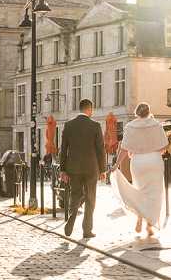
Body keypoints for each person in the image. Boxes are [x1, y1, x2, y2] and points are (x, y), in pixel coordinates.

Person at [111, 102, 169, 237]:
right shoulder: (156, 124)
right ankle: (149, 225)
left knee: (140, 191)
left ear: (136, 113)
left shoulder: (130, 126)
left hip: (138, 163)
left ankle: (139, 219)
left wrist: (116, 165)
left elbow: (124, 149)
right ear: (149, 112)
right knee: (155, 194)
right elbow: (163, 147)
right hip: (154, 161)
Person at [59, 99, 106, 238]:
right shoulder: (95, 126)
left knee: (75, 194)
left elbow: (63, 150)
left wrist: (63, 169)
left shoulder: (69, 125)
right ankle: (87, 230)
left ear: (79, 109)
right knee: (90, 198)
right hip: (91, 168)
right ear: (89, 109)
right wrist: (103, 170)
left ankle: (73, 214)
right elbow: (100, 149)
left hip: (73, 168)